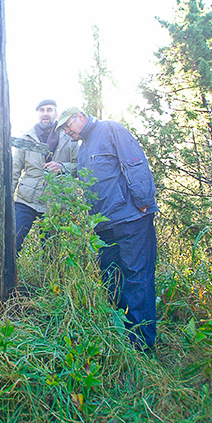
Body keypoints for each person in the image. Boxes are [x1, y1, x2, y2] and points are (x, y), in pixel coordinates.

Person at [56, 107, 159, 350]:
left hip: (131, 220)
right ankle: (123, 335)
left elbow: (135, 163)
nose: (66, 131)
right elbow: (87, 175)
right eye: (63, 129)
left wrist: (144, 201)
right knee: (112, 279)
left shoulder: (110, 128)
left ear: (80, 117)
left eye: (67, 125)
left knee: (137, 277)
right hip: (104, 227)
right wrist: (64, 169)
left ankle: (142, 347)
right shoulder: (84, 147)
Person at [12, 99, 78, 252]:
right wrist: (7, 199)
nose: (45, 113)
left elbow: (80, 167)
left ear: (55, 114)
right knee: (12, 242)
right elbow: (14, 170)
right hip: (26, 199)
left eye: (49, 110)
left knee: (51, 251)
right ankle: (7, 276)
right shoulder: (27, 137)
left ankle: (47, 277)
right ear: (38, 114)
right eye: (42, 110)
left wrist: (62, 167)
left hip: (55, 201)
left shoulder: (70, 137)